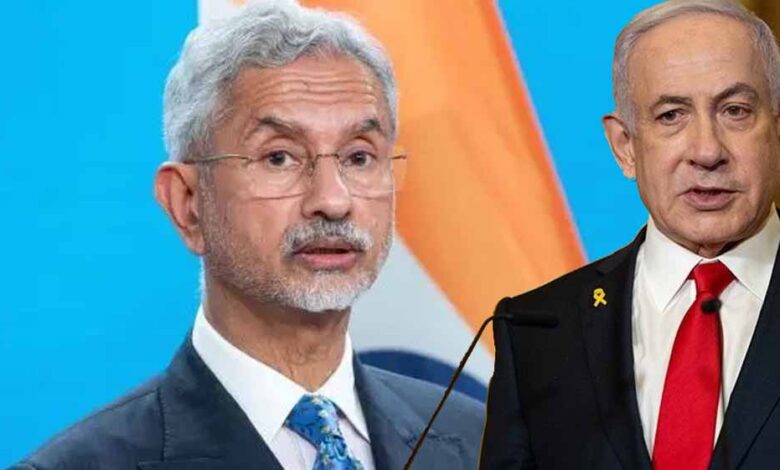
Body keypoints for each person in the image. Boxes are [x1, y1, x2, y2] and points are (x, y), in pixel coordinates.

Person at [11, 2, 484, 469]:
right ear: (188, 204)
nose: (333, 200)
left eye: (359, 157)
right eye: (279, 157)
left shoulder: (483, 441)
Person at [480, 1, 780, 469]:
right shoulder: (536, 332)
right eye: (671, 115)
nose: (707, 151)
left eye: (735, 111)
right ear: (625, 147)